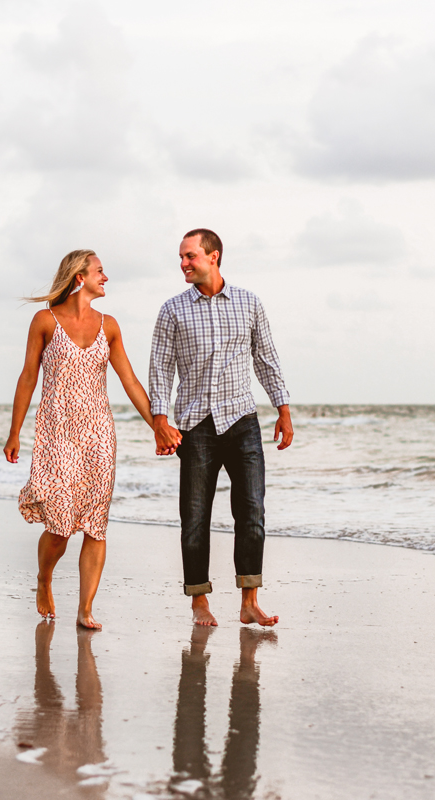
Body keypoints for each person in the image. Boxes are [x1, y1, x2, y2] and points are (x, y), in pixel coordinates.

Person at [5, 249, 181, 630]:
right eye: (100, 271)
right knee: (59, 525)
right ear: (79, 277)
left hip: (99, 435)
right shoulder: (44, 321)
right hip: (56, 433)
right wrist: (15, 431)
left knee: (96, 524)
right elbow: (27, 378)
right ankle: (44, 578)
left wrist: (158, 425)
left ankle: (85, 610)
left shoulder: (110, 325)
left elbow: (130, 381)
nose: (106, 277)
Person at [149, 229, 293, 627]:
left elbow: (266, 358)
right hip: (195, 426)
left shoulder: (248, 303)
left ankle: (249, 601)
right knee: (194, 517)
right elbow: (160, 370)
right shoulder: (172, 310)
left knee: (252, 511)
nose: (183, 263)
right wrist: (160, 421)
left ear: (213, 256)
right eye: (181, 257)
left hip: (242, 421)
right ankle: (199, 603)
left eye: (190, 256)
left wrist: (282, 409)